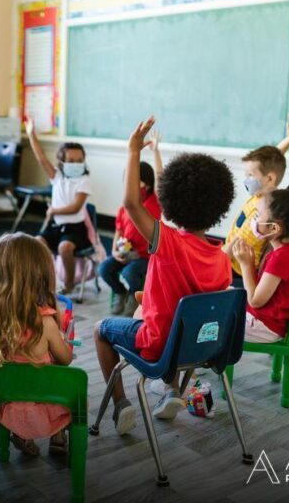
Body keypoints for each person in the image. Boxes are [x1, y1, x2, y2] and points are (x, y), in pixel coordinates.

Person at [94, 116, 235, 433]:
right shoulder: (222, 257)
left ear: (169, 201)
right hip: (202, 348)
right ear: (219, 206)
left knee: (101, 329)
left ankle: (120, 406)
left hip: (160, 345)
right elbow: (189, 301)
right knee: (167, 317)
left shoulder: (168, 242)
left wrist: (133, 151)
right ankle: (172, 390)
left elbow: (131, 202)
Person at [0, 232, 74, 456]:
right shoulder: (45, 322)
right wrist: (61, 339)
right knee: (64, 383)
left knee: (13, 380)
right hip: (44, 408)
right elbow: (65, 360)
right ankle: (58, 435)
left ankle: (21, 435)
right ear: (40, 277)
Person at [232, 182, 289, 343]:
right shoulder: (283, 251)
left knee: (209, 320)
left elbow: (256, 301)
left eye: (258, 215)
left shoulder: (282, 257)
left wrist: (246, 265)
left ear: (274, 228)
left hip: (264, 326)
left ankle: (203, 364)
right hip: (260, 321)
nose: (254, 220)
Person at [223, 114, 289, 283]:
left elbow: (237, 241)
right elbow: (274, 160)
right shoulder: (267, 194)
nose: (246, 178)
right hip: (232, 256)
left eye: (250, 174)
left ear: (269, 179)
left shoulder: (263, 211)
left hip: (236, 269)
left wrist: (216, 262)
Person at [100, 129, 163, 317]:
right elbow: (118, 231)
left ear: (147, 184)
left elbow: (161, 177)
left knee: (130, 273)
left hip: (145, 257)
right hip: (125, 253)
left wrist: (155, 151)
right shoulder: (123, 207)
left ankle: (134, 297)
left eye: (136, 180)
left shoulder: (154, 202)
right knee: (104, 268)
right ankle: (120, 293)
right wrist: (113, 251)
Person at [25, 119, 92, 294]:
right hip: (55, 227)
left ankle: (69, 283)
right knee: (37, 243)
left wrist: (53, 210)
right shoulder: (57, 177)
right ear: (62, 162)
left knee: (65, 248)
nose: (76, 164)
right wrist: (31, 134)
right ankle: (44, 280)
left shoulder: (84, 181)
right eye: (71, 160)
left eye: (79, 160)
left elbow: (76, 207)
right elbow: (40, 157)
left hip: (75, 229)